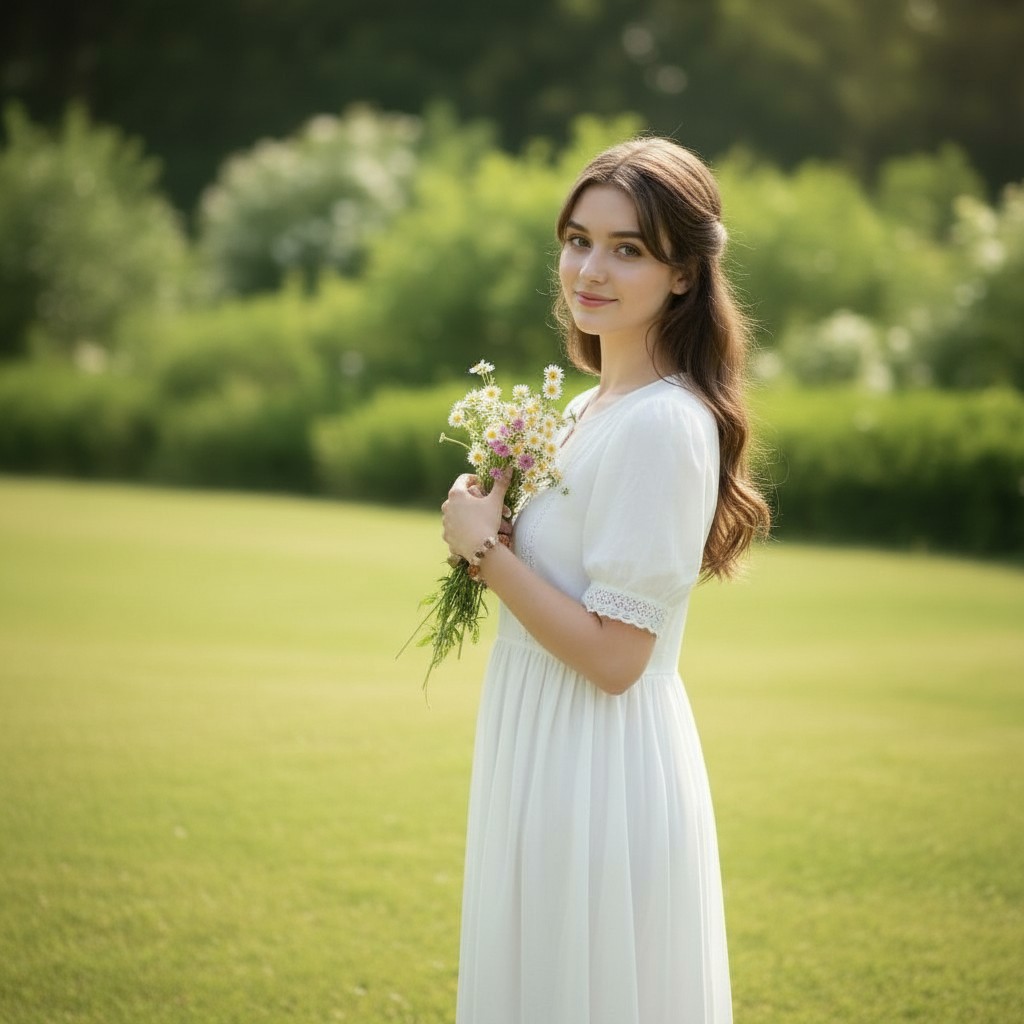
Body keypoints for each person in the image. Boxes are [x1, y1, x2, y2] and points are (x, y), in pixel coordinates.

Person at [441, 137, 771, 1024]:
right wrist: (499, 522)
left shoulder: (666, 424)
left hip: (600, 766)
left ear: (682, 275)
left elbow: (619, 656)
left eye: (628, 248)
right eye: (578, 238)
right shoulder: (588, 407)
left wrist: (485, 552)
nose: (590, 267)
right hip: (541, 744)